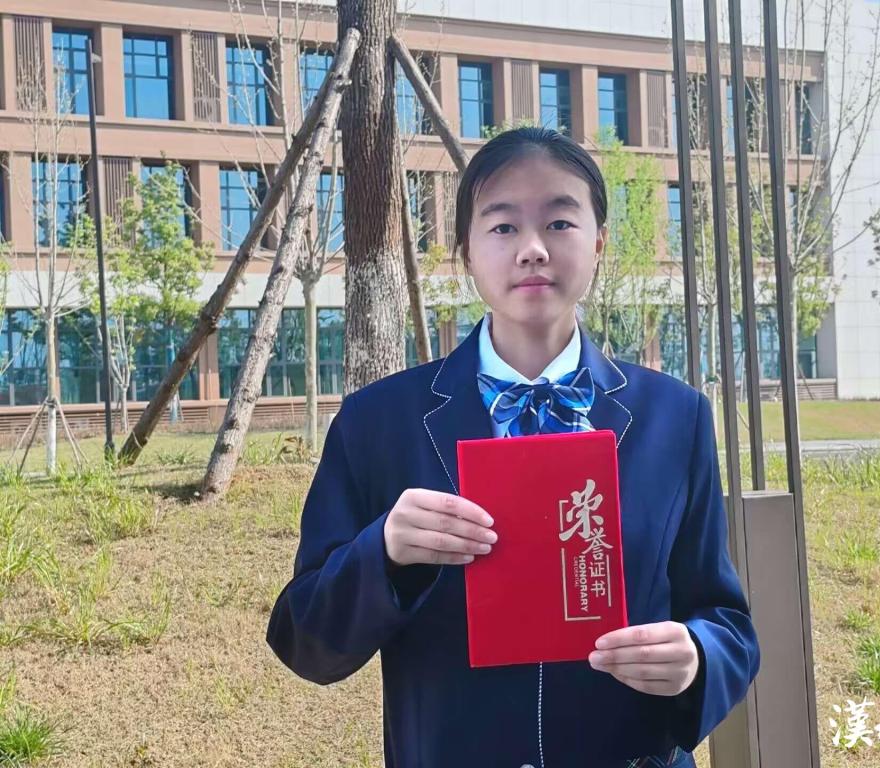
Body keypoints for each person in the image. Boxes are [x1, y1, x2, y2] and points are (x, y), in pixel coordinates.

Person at [266, 127, 759, 768]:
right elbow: (304, 640)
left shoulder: (674, 417)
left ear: (599, 242)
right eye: (502, 227)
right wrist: (381, 552)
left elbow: (725, 619)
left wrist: (697, 657)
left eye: (559, 222)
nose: (532, 249)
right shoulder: (378, 423)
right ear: (466, 252)